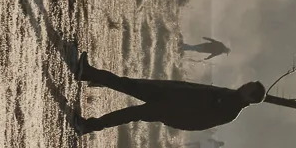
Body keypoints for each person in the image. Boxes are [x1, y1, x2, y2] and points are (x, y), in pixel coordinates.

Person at [73, 57, 265, 134]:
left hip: (169, 108)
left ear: (250, 98)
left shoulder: (230, 110)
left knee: (128, 114)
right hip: (168, 94)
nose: (245, 84)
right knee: (128, 84)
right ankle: (89, 73)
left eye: (249, 87)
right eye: (248, 83)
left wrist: (170, 118)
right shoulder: (231, 96)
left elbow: (198, 124)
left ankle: (89, 126)